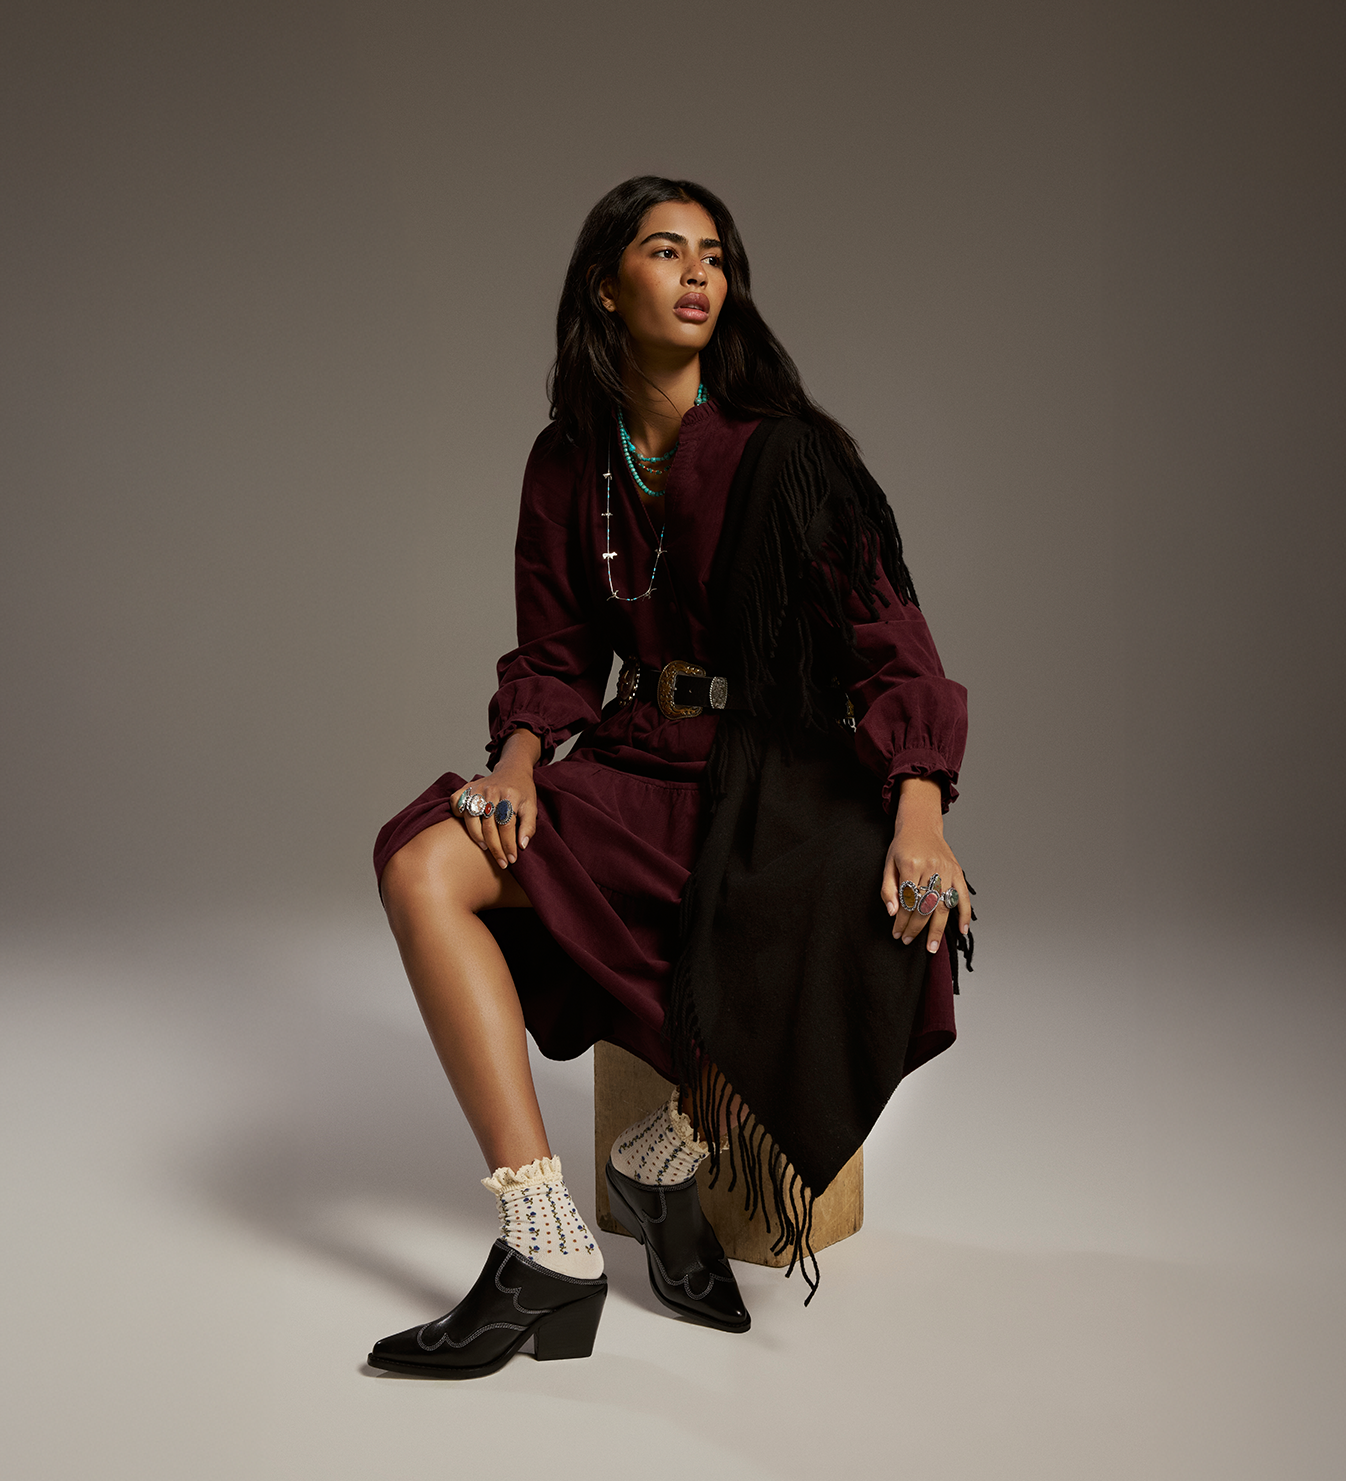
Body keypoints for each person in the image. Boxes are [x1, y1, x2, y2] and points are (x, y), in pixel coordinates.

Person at [365, 176, 971, 1379]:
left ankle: (660, 1159)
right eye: (664, 250)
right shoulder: (566, 462)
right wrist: (516, 765)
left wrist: (920, 815)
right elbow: (552, 656)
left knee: (871, 902)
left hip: (777, 775)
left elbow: (897, 653)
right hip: (636, 760)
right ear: (606, 286)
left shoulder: (787, 453)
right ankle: (542, 1236)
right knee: (424, 863)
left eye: (713, 255)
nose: (697, 273)